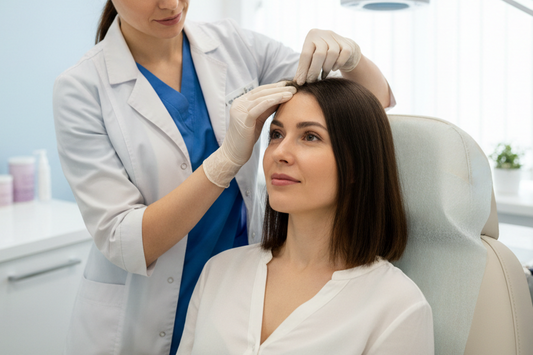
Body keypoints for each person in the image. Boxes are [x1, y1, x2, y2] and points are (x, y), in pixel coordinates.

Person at [52, 0, 395, 353]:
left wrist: (353, 59)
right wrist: (227, 159)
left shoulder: (234, 46)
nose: (171, 4)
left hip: (233, 290)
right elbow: (124, 241)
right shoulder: (81, 89)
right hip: (139, 315)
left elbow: (361, 113)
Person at [177, 78, 434, 355]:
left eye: (310, 136)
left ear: (357, 165)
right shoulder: (220, 271)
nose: (280, 153)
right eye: (276, 134)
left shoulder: (397, 306)